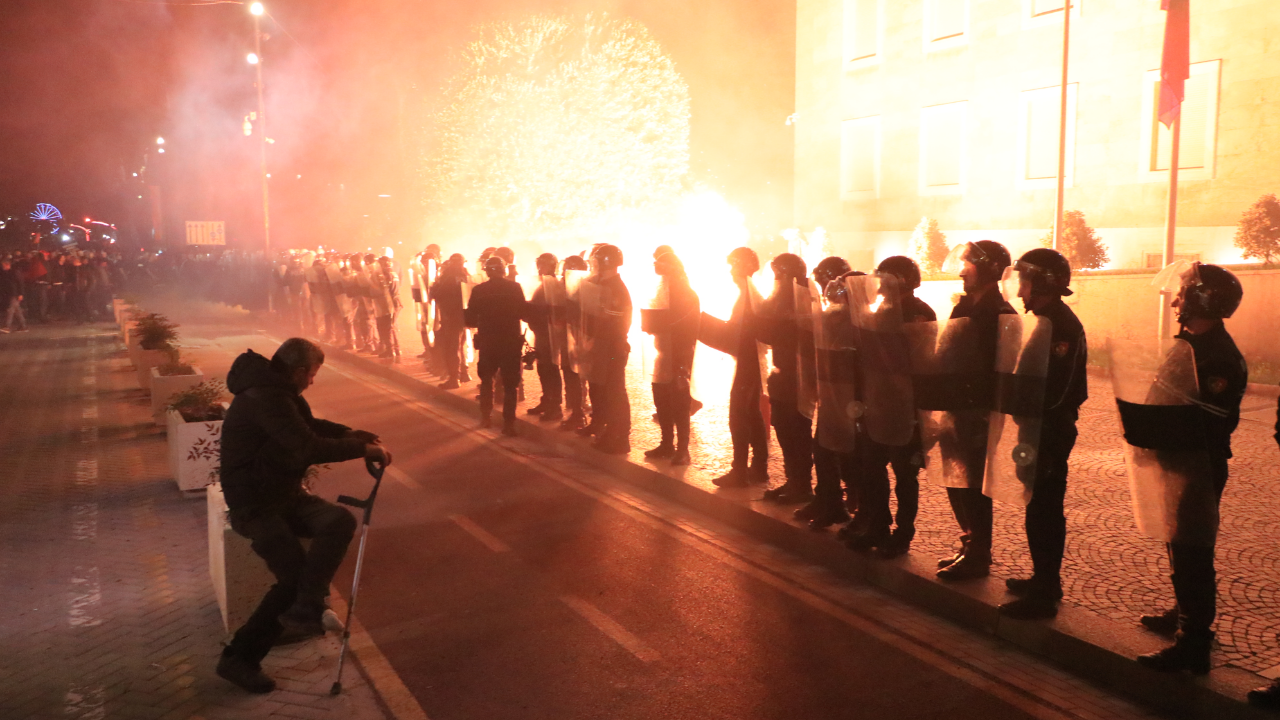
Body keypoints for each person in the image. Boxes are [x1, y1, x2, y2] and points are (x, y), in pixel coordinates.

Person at [216, 338, 391, 694]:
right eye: (312, 374)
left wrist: (348, 433)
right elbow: (306, 445)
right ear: (298, 371)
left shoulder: (278, 392)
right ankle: (240, 658)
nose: (312, 381)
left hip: (284, 496)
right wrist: (361, 449)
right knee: (292, 577)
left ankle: (307, 607)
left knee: (338, 521)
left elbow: (306, 424)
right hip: (255, 505)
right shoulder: (264, 397)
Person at [1136, 263, 1247, 674]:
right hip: (1177, 459)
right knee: (1177, 541)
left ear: (1202, 299)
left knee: (1193, 550)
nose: (1176, 299)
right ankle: (1184, 612)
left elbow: (1206, 419)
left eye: (1183, 293)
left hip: (1198, 463)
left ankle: (1194, 641)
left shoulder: (1217, 356)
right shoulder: (1191, 345)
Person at [997, 249, 1087, 619]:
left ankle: (1047, 587)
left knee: (1046, 508)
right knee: (1036, 504)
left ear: (1045, 282)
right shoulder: (1043, 320)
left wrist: (1033, 416)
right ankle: (1041, 576)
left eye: (1026, 281)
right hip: (1034, 427)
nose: (1020, 292)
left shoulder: (1060, 326)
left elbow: (1061, 389)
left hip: (1049, 429)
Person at [935, 240, 1016, 581]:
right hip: (955, 405)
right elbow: (947, 348)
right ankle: (968, 540)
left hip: (978, 409)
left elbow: (1002, 367)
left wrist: (986, 408)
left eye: (968, 266)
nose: (961, 272)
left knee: (974, 483)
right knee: (955, 478)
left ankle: (980, 551)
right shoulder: (964, 306)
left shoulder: (1001, 314)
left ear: (988, 270)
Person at [846, 256, 936, 557]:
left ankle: (903, 532)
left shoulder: (919, 313)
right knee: (872, 468)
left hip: (906, 407)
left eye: (886, 279)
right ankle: (878, 524)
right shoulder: (879, 310)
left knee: (904, 474)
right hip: (878, 403)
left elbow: (922, 363)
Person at [795, 257, 859, 529]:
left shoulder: (855, 317)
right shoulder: (832, 313)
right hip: (832, 392)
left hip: (849, 398)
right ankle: (828, 499)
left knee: (846, 453)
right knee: (822, 448)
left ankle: (848, 503)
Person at [757, 253, 814, 503]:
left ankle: (801, 485)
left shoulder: (799, 298)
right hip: (784, 374)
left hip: (796, 376)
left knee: (795, 432)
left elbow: (772, 332)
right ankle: (794, 481)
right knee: (785, 430)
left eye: (777, 274)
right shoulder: (789, 296)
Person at [711, 247, 770, 487]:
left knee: (739, 415)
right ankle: (758, 467)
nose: (731, 272)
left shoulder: (748, 295)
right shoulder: (749, 293)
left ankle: (740, 471)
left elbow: (743, 333)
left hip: (747, 364)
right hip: (749, 362)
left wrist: (715, 331)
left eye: (734, 266)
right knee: (751, 414)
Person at [643, 248, 699, 465]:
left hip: (680, 354)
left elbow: (688, 327)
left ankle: (683, 450)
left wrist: (683, 364)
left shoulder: (686, 293)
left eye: (660, 264)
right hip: (663, 352)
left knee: (679, 403)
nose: (656, 267)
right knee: (662, 400)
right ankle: (666, 443)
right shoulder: (662, 291)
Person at [579, 244, 632, 454]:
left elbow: (617, 319)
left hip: (612, 347)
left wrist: (597, 334)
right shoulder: (600, 284)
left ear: (605, 262)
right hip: (599, 346)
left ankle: (619, 436)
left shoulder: (616, 288)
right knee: (598, 387)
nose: (595, 265)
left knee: (615, 392)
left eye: (598, 261)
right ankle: (602, 426)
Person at [465, 255, 527, 435]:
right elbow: (523, 311)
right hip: (510, 343)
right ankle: (509, 424)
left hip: (488, 342)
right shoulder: (515, 288)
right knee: (510, 385)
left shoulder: (479, 290)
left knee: (486, 381)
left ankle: (486, 417)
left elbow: (470, 318)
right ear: (504, 269)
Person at [526, 253, 565, 422]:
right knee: (543, 369)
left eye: (543, 265)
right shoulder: (544, 285)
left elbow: (553, 310)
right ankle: (546, 401)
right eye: (539, 265)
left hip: (549, 334)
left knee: (550, 370)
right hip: (541, 333)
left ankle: (554, 406)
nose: (540, 268)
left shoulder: (554, 286)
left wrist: (533, 312)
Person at [558, 254, 590, 431]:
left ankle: (579, 413)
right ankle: (577, 410)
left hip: (577, 339)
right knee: (572, 375)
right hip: (568, 338)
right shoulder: (566, 287)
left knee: (576, 376)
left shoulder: (583, 288)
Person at [431, 254, 470, 389]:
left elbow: (436, 294)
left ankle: (454, 379)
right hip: (464, 318)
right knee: (461, 346)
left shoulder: (447, 277)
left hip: (450, 317)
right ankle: (464, 373)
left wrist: (434, 286)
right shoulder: (466, 276)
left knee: (451, 349)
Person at [0, 257, 28, 333]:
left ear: (7, 265)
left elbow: (20, 283)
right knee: (17, 311)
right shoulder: (8, 273)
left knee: (10, 310)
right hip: (12, 293)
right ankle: (23, 326)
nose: (2, 267)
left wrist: (21, 293)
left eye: (3, 266)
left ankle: (7, 326)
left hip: (14, 293)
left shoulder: (14, 272)